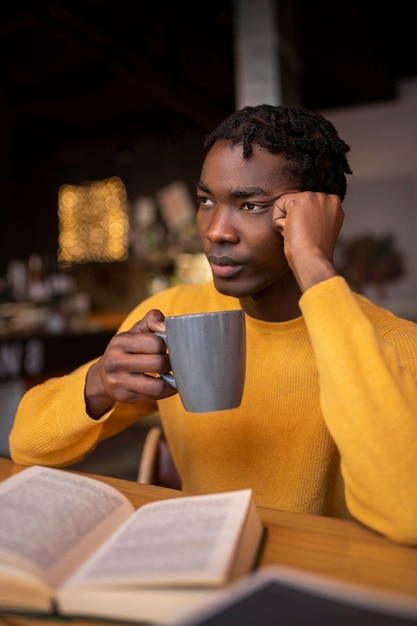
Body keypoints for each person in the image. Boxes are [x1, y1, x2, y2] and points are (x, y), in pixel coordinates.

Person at [9, 105, 417, 545]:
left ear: (315, 218)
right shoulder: (170, 313)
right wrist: (98, 384)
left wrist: (315, 267)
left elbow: (405, 512)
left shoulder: (394, 345)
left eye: (251, 205)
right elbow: (27, 446)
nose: (216, 231)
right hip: (202, 568)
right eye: (207, 201)